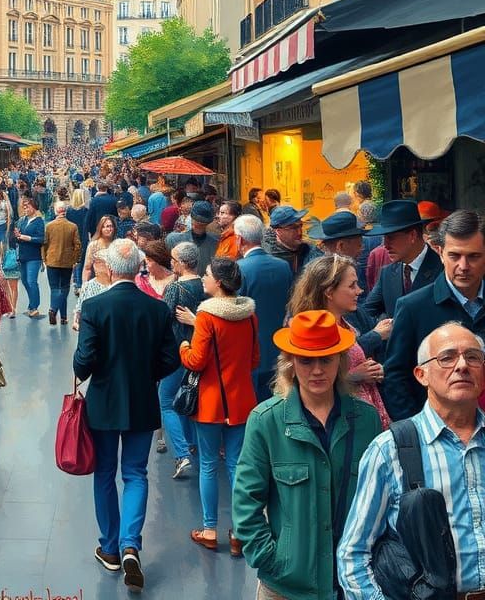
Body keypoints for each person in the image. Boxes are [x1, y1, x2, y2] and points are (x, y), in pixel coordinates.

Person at [233, 311, 381, 600]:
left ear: (340, 360)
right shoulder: (267, 422)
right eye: (306, 360)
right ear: (291, 362)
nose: (316, 370)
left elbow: (380, 496)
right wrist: (271, 560)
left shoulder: (366, 421)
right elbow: (245, 502)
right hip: (286, 587)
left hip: (351, 584)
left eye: (325, 359)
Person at [338, 322, 485, 599]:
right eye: (447, 357)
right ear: (421, 375)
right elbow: (353, 554)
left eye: (474, 357)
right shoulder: (391, 450)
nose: (462, 365)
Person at [73, 238, 179, 593]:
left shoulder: (94, 307)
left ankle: (110, 546)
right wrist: (147, 375)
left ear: (111, 269)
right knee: (136, 472)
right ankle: (131, 543)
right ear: (138, 268)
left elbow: (83, 362)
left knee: (104, 472)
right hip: (141, 401)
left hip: (103, 403)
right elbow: (170, 358)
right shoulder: (157, 309)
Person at [178, 257, 260, 553]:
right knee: (238, 465)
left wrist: (183, 347)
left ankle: (210, 529)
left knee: (209, 465)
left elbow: (196, 361)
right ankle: (240, 532)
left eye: (208, 274)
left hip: (211, 403)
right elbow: (254, 360)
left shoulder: (207, 317)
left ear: (220, 283)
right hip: (241, 401)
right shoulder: (249, 315)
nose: (203, 277)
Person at [383, 208, 485, 420]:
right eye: (454, 256)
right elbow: (395, 377)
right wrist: (415, 432)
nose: (463, 266)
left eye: (473, 256)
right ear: (439, 252)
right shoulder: (413, 307)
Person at [290, 256, 391, 429]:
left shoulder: (347, 323)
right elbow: (304, 381)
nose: (359, 291)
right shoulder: (311, 331)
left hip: (364, 414)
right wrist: (356, 375)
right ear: (329, 292)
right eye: (352, 285)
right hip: (343, 421)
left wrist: (375, 370)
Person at [236, 214, 293, 402]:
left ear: (239, 239)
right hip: (280, 349)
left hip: (250, 352)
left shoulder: (240, 269)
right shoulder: (283, 266)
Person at [161, 242, 204, 478]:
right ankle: (192, 443)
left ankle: (181, 454)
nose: (171, 262)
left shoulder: (175, 289)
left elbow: (163, 320)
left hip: (177, 351)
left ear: (183, 263)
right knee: (190, 399)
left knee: (166, 400)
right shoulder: (206, 286)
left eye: (174, 259)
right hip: (200, 350)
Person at [363, 199, 440, 319]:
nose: (386, 245)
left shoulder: (443, 269)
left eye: (391, 238)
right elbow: (366, 313)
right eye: (384, 238)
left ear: (413, 235)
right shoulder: (387, 273)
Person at [43, 201, 80, 325]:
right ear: (65, 211)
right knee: (64, 287)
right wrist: (75, 259)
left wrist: (44, 258)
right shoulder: (73, 226)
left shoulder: (49, 226)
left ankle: (57, 312)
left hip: (51, 260)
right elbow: (77, 245)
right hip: (67, 262)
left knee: (54, 288)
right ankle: (58, 313)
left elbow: (44, 244)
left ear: (55, 211)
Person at [263, 205, 322, 275]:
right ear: (278, 231)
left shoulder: (308, 250)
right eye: (293, 228)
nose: (300, 232)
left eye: (300, 226)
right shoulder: (269, 258)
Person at [167, 201, 220, 276]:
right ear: (210, 220)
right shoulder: (217, 242)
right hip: (208, 284)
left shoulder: (172, 239)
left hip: (182, 283)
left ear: (191, 216)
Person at [14, 194, 45, 318]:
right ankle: (31, 304)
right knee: (25, 281)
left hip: (34, 256)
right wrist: (17, 236)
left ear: (33, 207)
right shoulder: (22, 221)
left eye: (28, 207)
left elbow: (41, 239)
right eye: (24, 207)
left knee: (32, 281)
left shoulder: (39, 222)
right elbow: (17, 237)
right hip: (22, 255)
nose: (25, 209)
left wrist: (27, 238)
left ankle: (34, 306)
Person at [68, 187, 91, 292]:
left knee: (74, 260)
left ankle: (75, 282)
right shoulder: (85, 211)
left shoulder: (68, 211)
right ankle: (79, 283)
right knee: (81, 260)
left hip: (71, 238)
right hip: (83, 237)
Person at [84, 214, 118, 284]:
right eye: (104, 227)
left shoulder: (117, 244)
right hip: (99, 283)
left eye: (110, 226)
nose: (108, 229)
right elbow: (87, 268)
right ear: (100, 229)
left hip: (115, 283)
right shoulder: (93, 245)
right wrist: (85, 285)